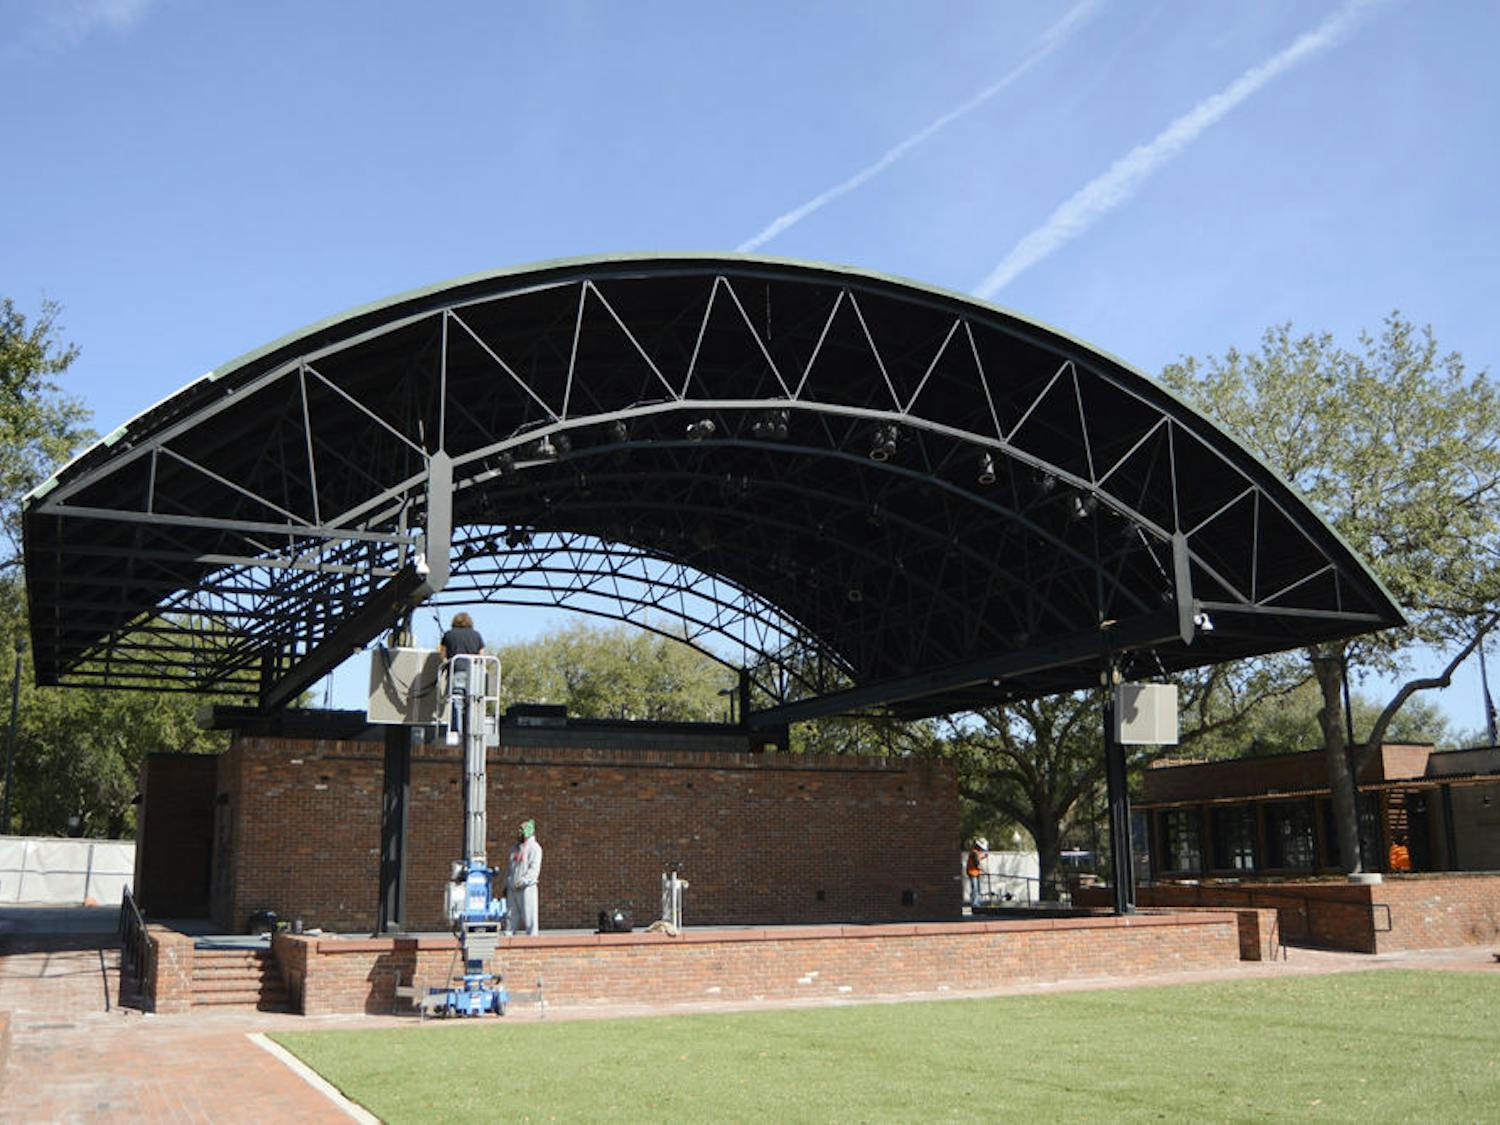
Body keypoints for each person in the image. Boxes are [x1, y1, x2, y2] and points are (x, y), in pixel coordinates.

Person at [439, 613, 485, 742]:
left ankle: (456, 733)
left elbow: (442, 655)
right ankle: (471, 732)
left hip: (456, 670)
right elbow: (481, 655)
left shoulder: (449, 634)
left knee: (456, 701)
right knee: (472, 702)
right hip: (473, 673)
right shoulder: (477, 635)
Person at [506, 819, 543, 936]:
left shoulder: (534, 848)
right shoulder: (515, 849)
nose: (519, 832)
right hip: (512, 888)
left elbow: (534, 869)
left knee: (529, 915)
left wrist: (523, 881)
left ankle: (532, 938)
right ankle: (508, 935)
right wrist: (507, 884)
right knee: (510, 915)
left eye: (521, 830)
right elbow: (510, 869)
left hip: (527, 888)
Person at [966, 837, 989, 909]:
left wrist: (983, 857)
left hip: (975, 872)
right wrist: (984, 870)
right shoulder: (974, 852)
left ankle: (977, 901)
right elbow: (977, 864)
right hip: (972, 872)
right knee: (975, 888)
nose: (982, 850)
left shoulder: (975, 852)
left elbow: (977, 860)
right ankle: (975, 903)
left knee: (977, 888)